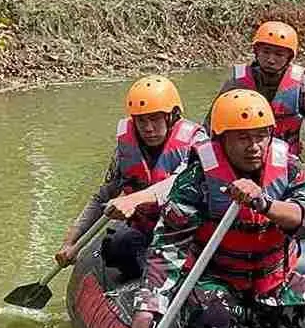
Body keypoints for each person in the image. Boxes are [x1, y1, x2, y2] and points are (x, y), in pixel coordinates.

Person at [127, 90, 305, 328]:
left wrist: (263, 203)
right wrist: (141, 327)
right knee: (207, 320)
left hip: (274, 284)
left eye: (261, 136)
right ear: (221, 140)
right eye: (243, 138)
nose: (254, 146)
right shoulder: (196, 180)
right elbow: (166, 250)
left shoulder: (289, 169)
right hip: (220, 285)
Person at [56, 75, 206, 281]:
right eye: (141, 121)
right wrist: (70, 242)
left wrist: (134, 199)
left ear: (172, 116)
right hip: (146, 231)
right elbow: (102, 197)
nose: (148, 128)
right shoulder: (125, 149)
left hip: (185, 235)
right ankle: (141, 279)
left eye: (155, 118)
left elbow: (180, 181)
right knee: (118, 244)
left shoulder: (197, 142)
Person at [216, 20, 305, 238]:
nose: (271, 59)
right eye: (265, 52)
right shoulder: (236, 84)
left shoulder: (303, 86)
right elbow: (213, 128)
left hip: (285, 161)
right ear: (256, 52)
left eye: (279, 54)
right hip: (239, 159)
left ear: (289, 58)